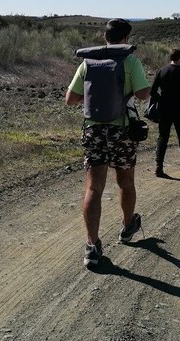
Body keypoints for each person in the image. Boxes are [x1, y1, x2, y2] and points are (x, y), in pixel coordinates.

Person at [65, 18, 151, 268]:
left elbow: (70, 99)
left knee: (94, 188)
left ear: (106, 37)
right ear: (126, 38)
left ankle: (92, 246)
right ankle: (127, 227)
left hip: (94, 132)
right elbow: (143, 94)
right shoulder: (131, 61)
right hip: (122, 132)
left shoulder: (88, 63)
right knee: (126, 182)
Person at [151, 48, 180, 177]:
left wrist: (162, 99)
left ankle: (159, 166)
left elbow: (153, 91)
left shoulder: (161, 71)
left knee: (163, 136)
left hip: (164, 108)